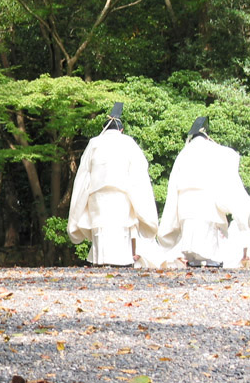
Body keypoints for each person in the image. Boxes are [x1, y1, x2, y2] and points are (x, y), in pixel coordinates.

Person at [67, 102, 159, 266]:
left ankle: (100, 260)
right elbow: (138, 174)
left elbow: (83, 176)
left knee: (101, 228)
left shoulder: (94, 143)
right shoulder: (129, 143)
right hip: (121, 195)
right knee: (119, 228)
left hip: (97, 195)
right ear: (121, 130)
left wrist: (79, 205)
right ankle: (121, 261)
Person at [158, 117, 250, 267]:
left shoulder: (183, 154)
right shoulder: (217, 152)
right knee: (209, 249)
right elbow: (230, 178)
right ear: (207, 135)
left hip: (185, 208)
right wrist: (242, 217)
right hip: (207, 207)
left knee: (192, 249)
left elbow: (172, 191)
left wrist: (170, 225)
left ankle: (194, 263)